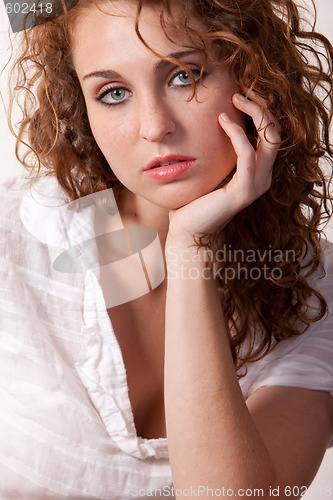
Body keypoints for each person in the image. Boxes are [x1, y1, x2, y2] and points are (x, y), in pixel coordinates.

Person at [1, 0, 333, 498]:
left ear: (255, 80)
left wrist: (190, 245)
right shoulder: (18, 241)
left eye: (184, 76)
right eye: (113, 93)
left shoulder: (313, 290)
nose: (155, 127)